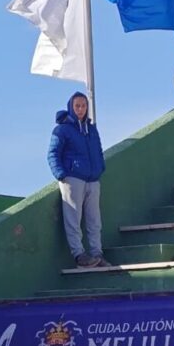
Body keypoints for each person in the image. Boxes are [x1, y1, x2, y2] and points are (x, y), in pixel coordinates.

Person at [47, 92, 109, 268]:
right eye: (77, 106)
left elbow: (98, 150)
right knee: (73, 219)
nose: (81, 109)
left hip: (93, 179)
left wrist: (100, 168)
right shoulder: (62, 129)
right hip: (73, 179)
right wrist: (61, 174)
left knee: (94, 221)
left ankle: (97, 254)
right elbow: (53, 153)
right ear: (71, 107)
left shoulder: (91, 129)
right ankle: (79, 255)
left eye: (83, 106)